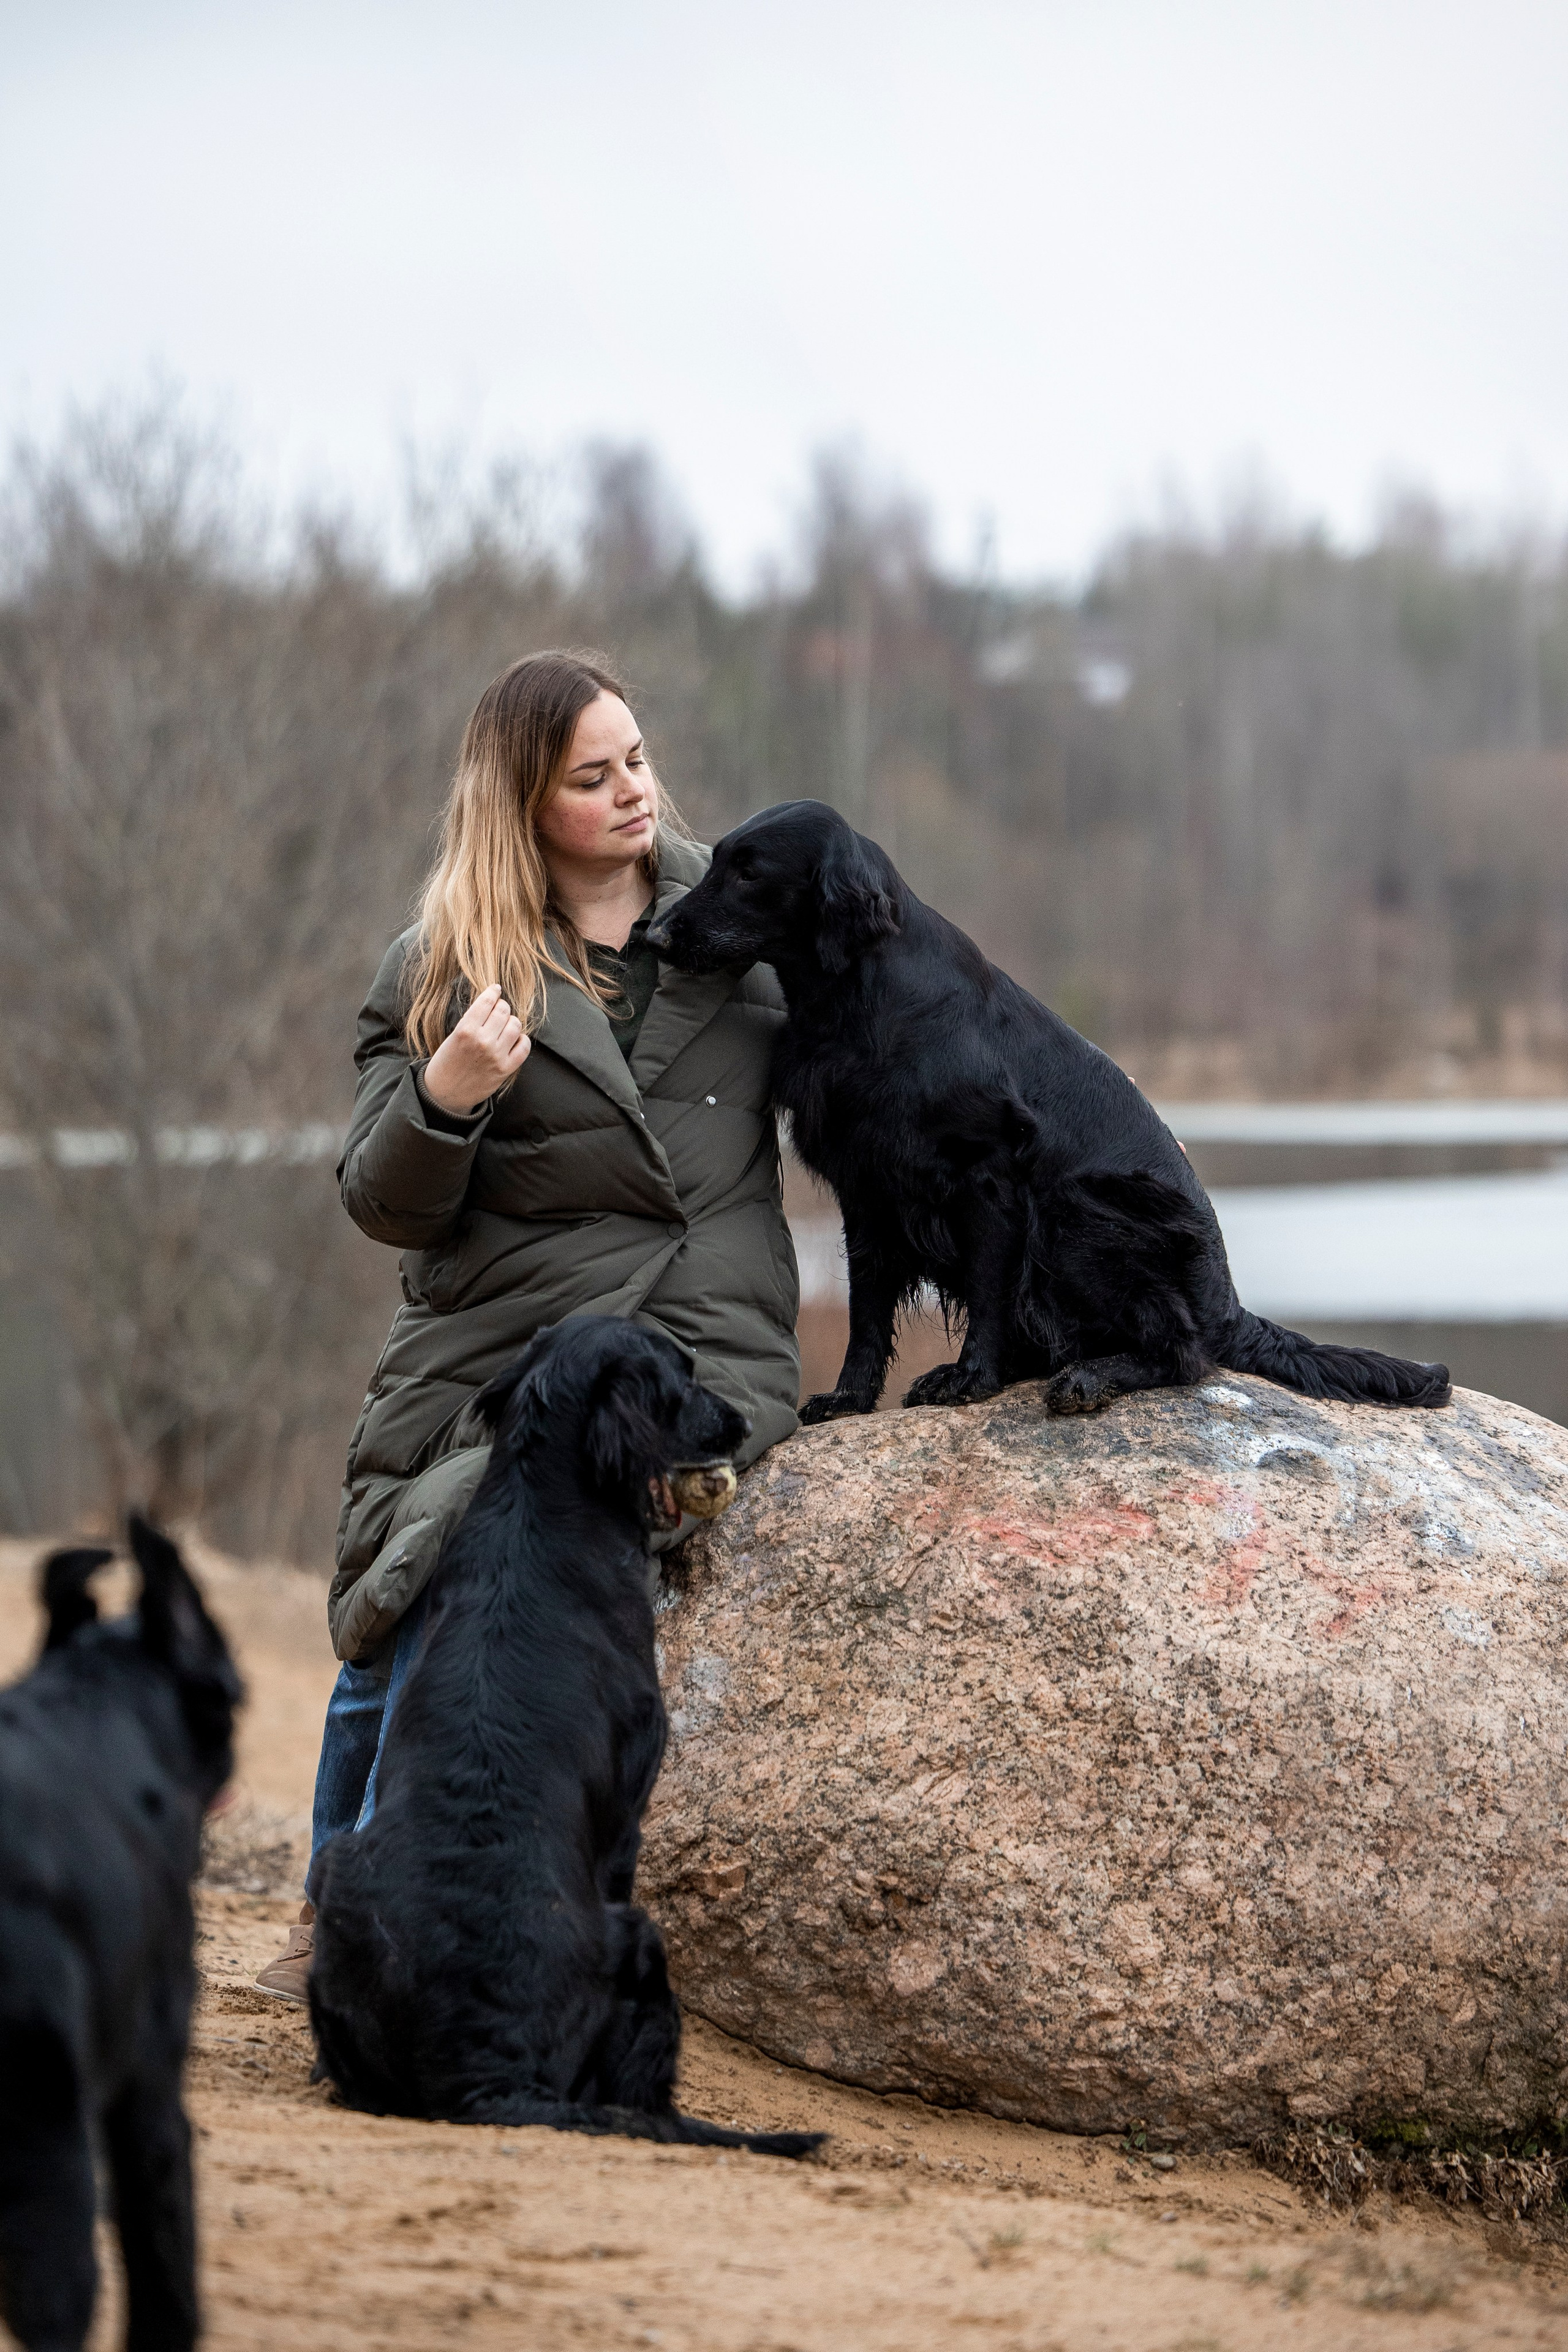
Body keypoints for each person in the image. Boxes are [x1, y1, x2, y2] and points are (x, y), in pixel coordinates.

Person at [256, 650, 799, 2002]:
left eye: (637, 760)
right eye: (591, 776)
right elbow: (384, 1204)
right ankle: (340, 1921)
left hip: (697, 1340)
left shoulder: (747, 923)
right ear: (521, 802)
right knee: (426, 1566)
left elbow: (906, 1065)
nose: (633, 792)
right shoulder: (444, 964)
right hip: (498, 1345)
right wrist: (445, 1095)